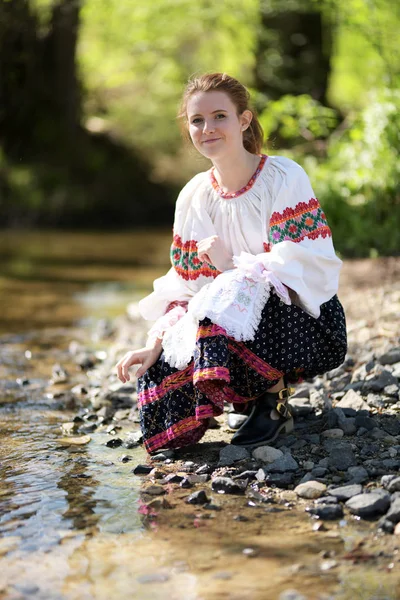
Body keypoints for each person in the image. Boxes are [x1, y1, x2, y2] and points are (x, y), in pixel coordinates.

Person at [116, 72, 347, 454]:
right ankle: (245, 397)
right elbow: (187, 286)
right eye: (197, 120)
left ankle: (272, 403)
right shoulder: (193, 196)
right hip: (225, 320)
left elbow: (305, 270)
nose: (207, 128)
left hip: (304, 321)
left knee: (231, 292)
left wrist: (230, 267)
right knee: (159, 375)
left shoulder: (283, 177)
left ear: (244, 120)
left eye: (219, 116)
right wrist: (154, 344)